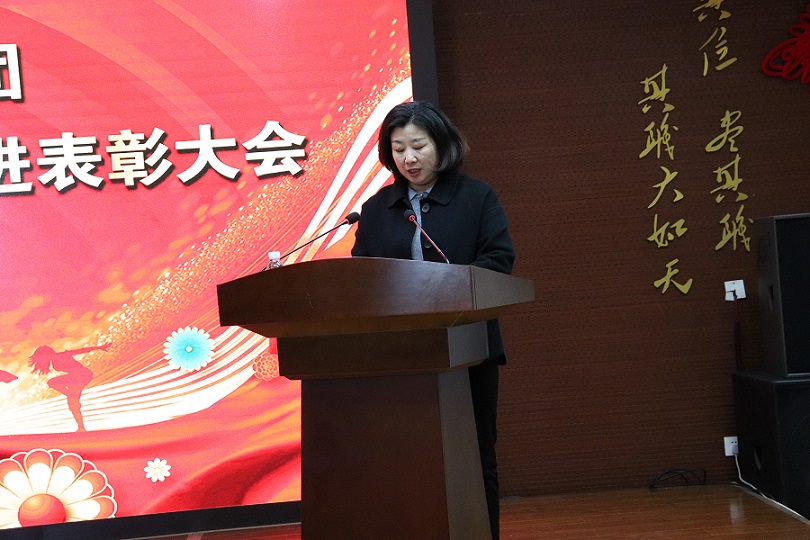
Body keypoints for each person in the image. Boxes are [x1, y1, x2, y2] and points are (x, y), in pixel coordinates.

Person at [352, 100, 515, 539]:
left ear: (441, 145)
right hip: (397, 355)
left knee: (475, 455)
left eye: (418, 146)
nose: (409, 158)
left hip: (469, 348)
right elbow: (359, 279)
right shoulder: (376, 209)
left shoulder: (476, 197)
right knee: (405, 459)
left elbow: (498, 260)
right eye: (398, 148)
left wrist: (446, 291)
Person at [28, 344, 107, 432]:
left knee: (54, 384)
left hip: (82, 375)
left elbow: (80, 350)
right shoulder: (54, 360)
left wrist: (99, 347)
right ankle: (81, 427)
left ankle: (71, 397)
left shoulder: (62, 355)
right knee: (72, 402)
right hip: (75, 377)